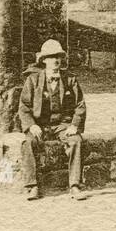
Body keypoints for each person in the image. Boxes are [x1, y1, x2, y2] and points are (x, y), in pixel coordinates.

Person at [18, 39, 86, 201]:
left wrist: (74, 125)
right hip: (40, 125)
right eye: (51, 57)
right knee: (27, 142)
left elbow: (80, 104)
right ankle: (32, 186)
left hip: (62, 125)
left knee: (76, 141)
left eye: (58, 57)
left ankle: (75, 185)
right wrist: (31, 125)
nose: (56, 60)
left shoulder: (70, 80)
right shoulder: (33, 80)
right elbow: (24, 107)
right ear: (44, 60)